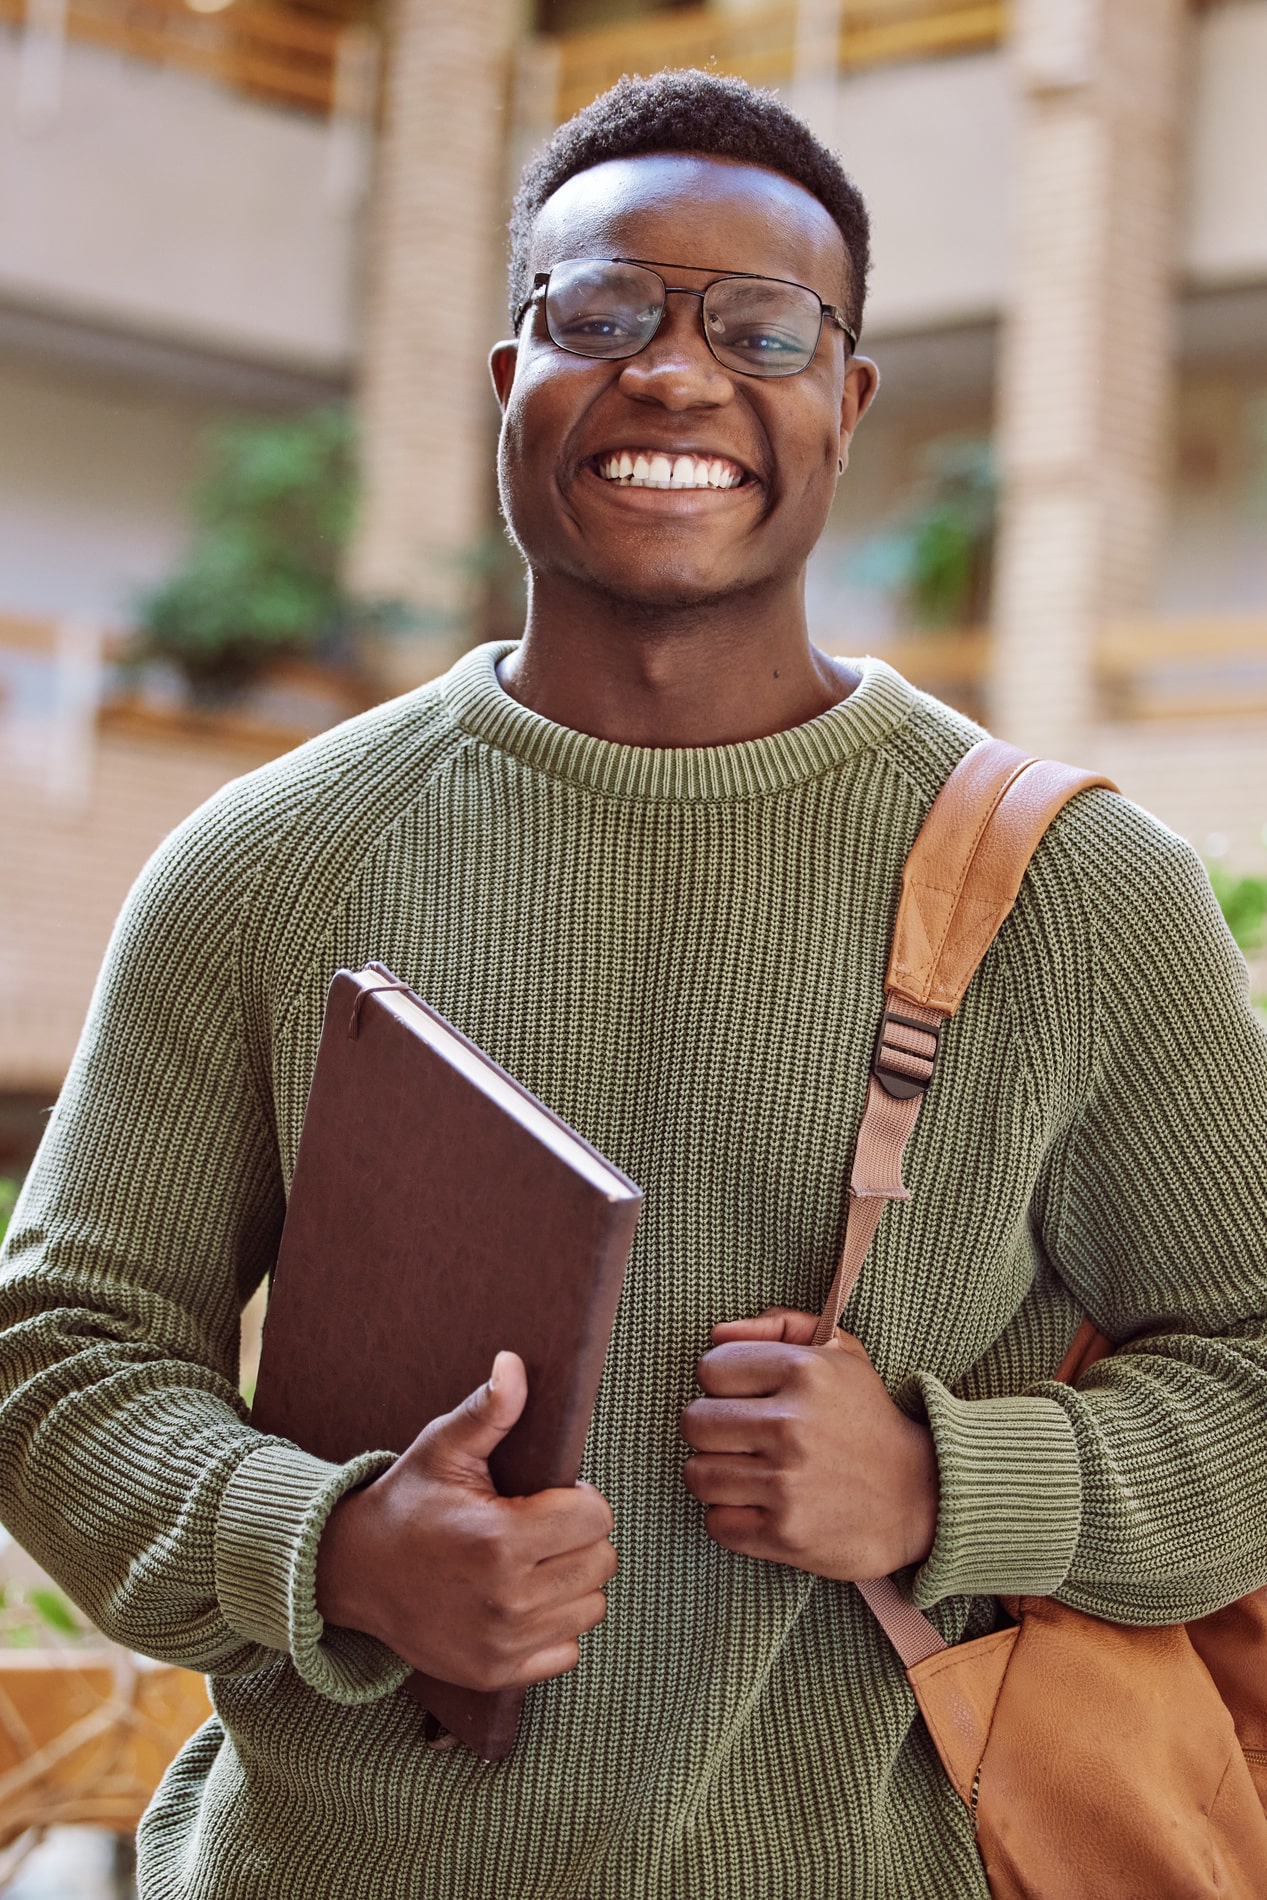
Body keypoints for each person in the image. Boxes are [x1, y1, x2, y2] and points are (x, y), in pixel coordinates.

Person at [1, 68, 1266, 1900]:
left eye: (760, 325)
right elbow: (61, 1358)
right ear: (508, 377)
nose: (674, 373)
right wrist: (337, 1546)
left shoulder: (1077, 892)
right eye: (600, 313)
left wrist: (941, 1482)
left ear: (846, 401)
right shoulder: (266, 862)